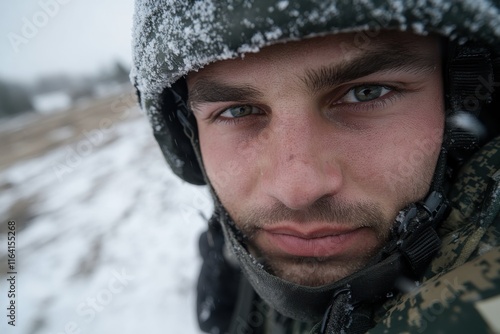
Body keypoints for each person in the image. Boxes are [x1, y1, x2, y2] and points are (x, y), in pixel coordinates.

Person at [131, 1, 500, 333]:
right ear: (189, 136)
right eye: (236, 111)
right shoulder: (227, 258)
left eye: (365, 92)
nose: (297, 190)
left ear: (463, 97)